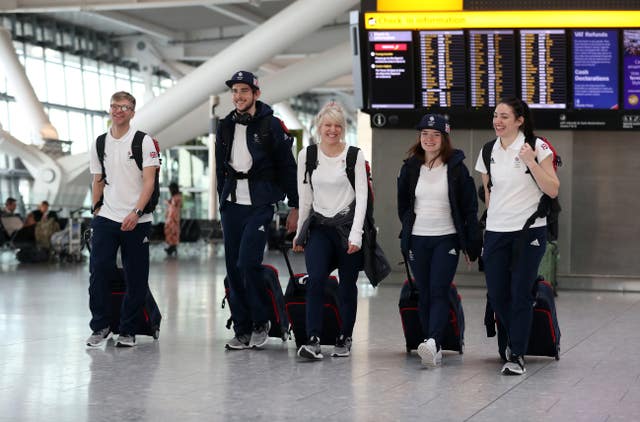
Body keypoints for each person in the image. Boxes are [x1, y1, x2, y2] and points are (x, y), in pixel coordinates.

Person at [475, 97, 559, 375]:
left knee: (520, 292)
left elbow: (553, 189)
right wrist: (496, 218)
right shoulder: (488, 151)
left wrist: (531, 162)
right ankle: (514, 341)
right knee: (498, 295)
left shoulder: (536, 146)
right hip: (497, 232)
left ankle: (517, 354)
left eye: (505, 117)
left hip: (529, 231)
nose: (497, 121)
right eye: (495, 115)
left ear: (519, 120)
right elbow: (489, 192)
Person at [216, 70, 298, 350]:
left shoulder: (271, 125)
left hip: (260, 204)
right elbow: (219, 167)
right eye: (235, 91)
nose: (238, 96)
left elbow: (288, 167)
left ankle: (261, 321)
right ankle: (241, 328)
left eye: (244, 91)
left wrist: (295, 206)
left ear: (256, 94)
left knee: (247, 263)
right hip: (232, 205)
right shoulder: (224, 126)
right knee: (233, 268)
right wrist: (221, 200)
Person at [397, 114, 480, 367]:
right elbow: (403, 205)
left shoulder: (456, 167)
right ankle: (431, 343)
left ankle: (433, 341)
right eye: (424, 134)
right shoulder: (410, 167)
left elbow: (469, 208)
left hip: (447, 239)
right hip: (418, 240)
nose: (429, 139)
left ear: (444, 138)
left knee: (439, 290)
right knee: (424, 293)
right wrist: (410, 229)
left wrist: (470, 243)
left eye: (435, 135)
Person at [86, 91, 161, 348]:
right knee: (98, 271)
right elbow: (98, 179)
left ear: (132, 112)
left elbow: (149, 182)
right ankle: (101, 325)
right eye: (115, 106)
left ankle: (128, 330)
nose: (119, 111)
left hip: (138, 219)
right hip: (106, 217)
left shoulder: (143, 142)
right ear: (110, 109)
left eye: (125, 107)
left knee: (136, 276)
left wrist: (136, 212)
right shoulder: (99, 143)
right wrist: (96, 211)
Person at [293, 101, 367, 360]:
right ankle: (312, 339)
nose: (332, 130)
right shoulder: (307, 155)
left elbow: (363, 198)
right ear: (319, 127)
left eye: (337, 126)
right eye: (328, 125)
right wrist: (300, 232)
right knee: (315, 281)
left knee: (347, 285)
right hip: (320, 228)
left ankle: (344, 336)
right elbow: (305, 197)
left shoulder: (354, 155)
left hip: (347, 228)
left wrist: (357, 234)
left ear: (343, 129)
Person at [164, 182, 182, 256]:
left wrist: (169, 203)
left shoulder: (177, 197)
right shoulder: (176, 196)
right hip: (172, 217)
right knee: (170, 232)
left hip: (173, 217)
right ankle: (172, 247)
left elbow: (174, 206)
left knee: (173, 232)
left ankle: (172, 248)